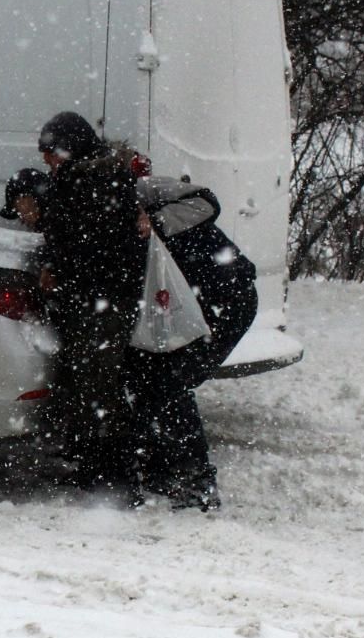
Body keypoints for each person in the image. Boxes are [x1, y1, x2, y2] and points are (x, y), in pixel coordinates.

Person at [124, 173, 258, 510]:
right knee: (155, 378)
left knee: (171, 382)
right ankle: (161, 469)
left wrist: (154, 221)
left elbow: (206, 201)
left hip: (224, 298)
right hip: (190, 303)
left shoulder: (142, 190)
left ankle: (194, 481)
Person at [33, 112, 148, 487]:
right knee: (91, 380)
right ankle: (97, 464)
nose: (46, 160)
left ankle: (115, 472)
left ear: (71, 148)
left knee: (100, 382)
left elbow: (88, 244)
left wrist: (58, 269)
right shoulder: (88, 176)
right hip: (97, 295)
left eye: (50, 151)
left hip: (102, 296)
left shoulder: (92, 180)